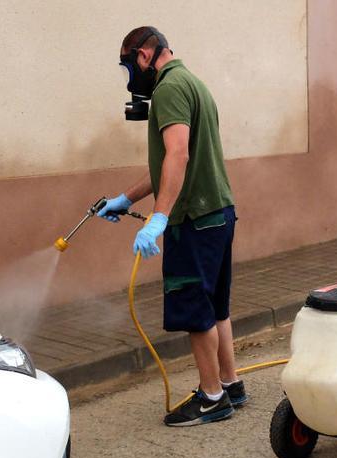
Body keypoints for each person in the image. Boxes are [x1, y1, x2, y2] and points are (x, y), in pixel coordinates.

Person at [98, 26, 244, 426]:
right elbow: (168, 163)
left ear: (146, 54)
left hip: (192, 219)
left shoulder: (168, 89)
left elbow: (177, 155)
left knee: (195, 311)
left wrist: (159, 218)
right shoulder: (193, 82)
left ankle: (212, 398)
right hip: (218, 213)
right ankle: (231, 384)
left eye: (131, 64)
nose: (132, 75)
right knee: (216, 307)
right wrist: (127, 199)